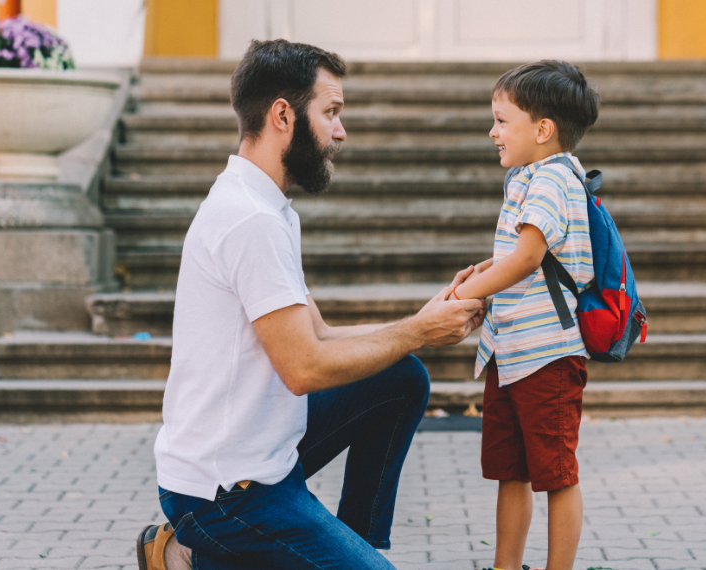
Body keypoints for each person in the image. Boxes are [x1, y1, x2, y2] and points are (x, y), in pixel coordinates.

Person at [135, 39, 484, 570]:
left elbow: (317, 335)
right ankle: (198, 548)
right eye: (331, 113)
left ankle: (342, 546)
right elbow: (304, 367)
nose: (340, 132)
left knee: (401, 378)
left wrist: (420, 322)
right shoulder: (250, 220)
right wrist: (417, 332)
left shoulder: (265, 206)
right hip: (226, 493)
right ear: (283, 114)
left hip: (263, 458)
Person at [449, 60, 600, 570]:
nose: (492, 132)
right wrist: (486, 275)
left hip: (547, 357)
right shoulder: (529, 176)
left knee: (557, 474)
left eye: (500, 120)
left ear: (542, 130)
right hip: (510, 352)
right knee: (509, 471)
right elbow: (525, 254)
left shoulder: (554, 179)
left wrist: (463, 295)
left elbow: (530, 257)